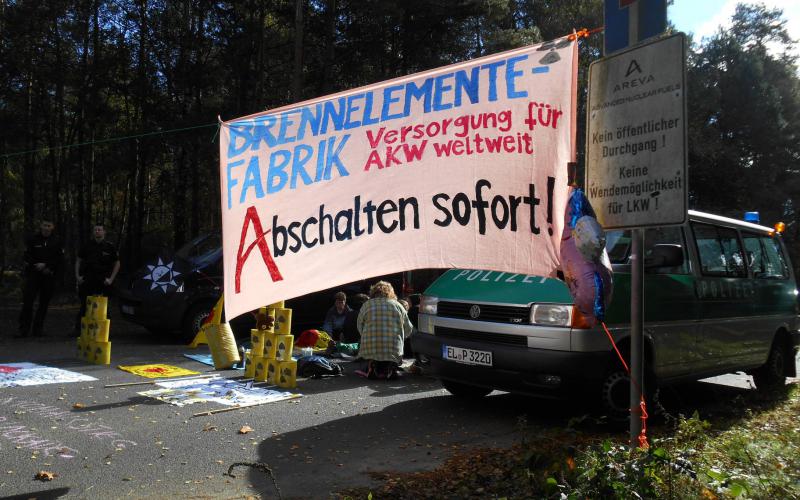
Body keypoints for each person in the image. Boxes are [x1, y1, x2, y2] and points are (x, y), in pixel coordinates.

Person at [357, 281, 413, 379]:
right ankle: (391, 367)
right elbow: (409, 329)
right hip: (393, 349)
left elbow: (359, 326)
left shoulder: (366, 305)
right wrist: (402, 338)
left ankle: (372, 365)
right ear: (391, 292)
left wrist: (367, 335)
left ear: (373, 292)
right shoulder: (398, 306)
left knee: (373, 354)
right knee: (392, 352)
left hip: (370, 348)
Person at [17, 218, 64, 338]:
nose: (46, 228)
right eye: (44, 225)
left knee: (44, 304)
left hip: (48, 275)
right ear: (41, 226)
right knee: (28, 302)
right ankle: (24, 329)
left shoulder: (57, 241)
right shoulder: (32, 239)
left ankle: (38, 330)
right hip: (33, 275)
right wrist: (36, 265)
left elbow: (59, 259)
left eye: (49, 225)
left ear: (52, 227)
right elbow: (26, 256)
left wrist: (47, 265)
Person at [74, 223, 120, 333]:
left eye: (100, 230)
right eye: (95, 230)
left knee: (105, 308)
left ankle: (103, 333)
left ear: (104, 232)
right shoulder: (87, 246)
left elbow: (117, 263)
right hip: (88, 279)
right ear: (93, 232)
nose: (97, 231)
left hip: (104, 281)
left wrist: (111, 279)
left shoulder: (110, 247)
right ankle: (80, 331)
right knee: (84, 306)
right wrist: (77, 277)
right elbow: (78, 261)